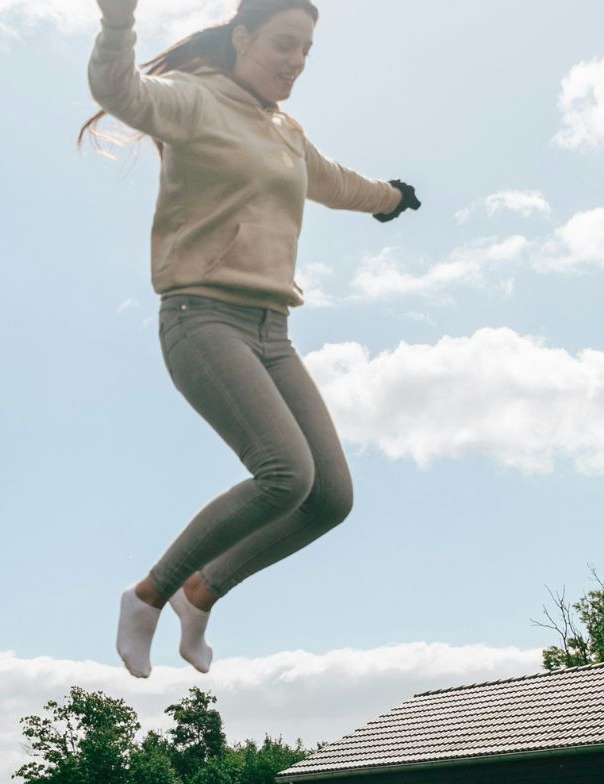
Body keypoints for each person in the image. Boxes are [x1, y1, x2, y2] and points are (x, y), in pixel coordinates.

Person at [84, 0, 421, 678]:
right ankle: (148, 594)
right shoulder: (194, 102)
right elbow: (119, 91)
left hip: (273, 330)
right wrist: (118, 22)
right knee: (284, 475)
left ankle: (201, 592)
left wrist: (388, 197)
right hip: (201, 318)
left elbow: (329, 182)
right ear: (242, 38)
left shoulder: (285, 131)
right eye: (283, 45)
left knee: (330, 498)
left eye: (305, 52)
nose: (295, 62)